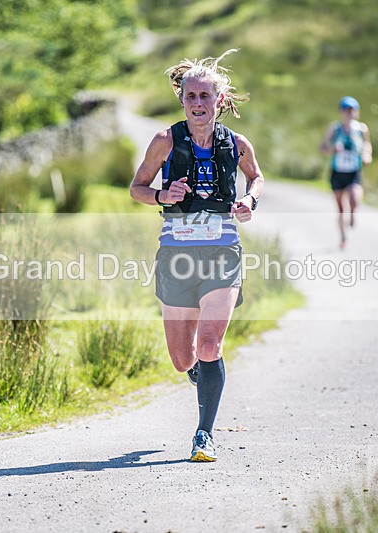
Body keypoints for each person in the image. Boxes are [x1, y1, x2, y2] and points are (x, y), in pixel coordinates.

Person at [129, 49, 264, 462]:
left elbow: (256, 179)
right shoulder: (165, 141)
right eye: (191, 96)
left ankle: (204, 434)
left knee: (209, 344)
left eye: (206, 96)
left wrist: (249, 202)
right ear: (182, 99)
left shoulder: (236, 144)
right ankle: (197, 374)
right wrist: (161, 195)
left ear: (219, 101)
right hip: (177, 255)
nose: (199, 104)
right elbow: (137, 188)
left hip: (222, 251)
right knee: (181, 358)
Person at [319, 96, 373, 249]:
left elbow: (367, 145)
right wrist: (332, 149)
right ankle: (343, 237)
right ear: (341, 112)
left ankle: (353, 213)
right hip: (337, 172)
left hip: (353, 172)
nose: (349, 113)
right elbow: (322, 147)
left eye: (352, 110)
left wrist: (366, 155)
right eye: (346, 110)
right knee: (341, 208)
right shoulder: (335, 129)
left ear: (356, 111)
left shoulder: (362, 129)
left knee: (355, 199)